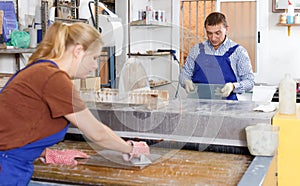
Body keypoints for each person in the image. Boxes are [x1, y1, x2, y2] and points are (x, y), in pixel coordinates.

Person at [0, 22, 149, 185]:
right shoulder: (54, 79)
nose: (94, 66)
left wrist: (45, 153)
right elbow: (96, 133)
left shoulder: (39, 69)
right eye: (93, 58)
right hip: (6, 170)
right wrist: (131, 148)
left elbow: (18, 129)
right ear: (78, 51)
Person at [179, 12, 254, 100]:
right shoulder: (197, 50)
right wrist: (186, 81)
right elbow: (185, 74)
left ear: (226, 29)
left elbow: (249, 81)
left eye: (218, 33)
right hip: (198, 105)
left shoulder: (238, 52)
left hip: (228, 106)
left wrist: (233, 86)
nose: (213, 38)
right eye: (209, 33)